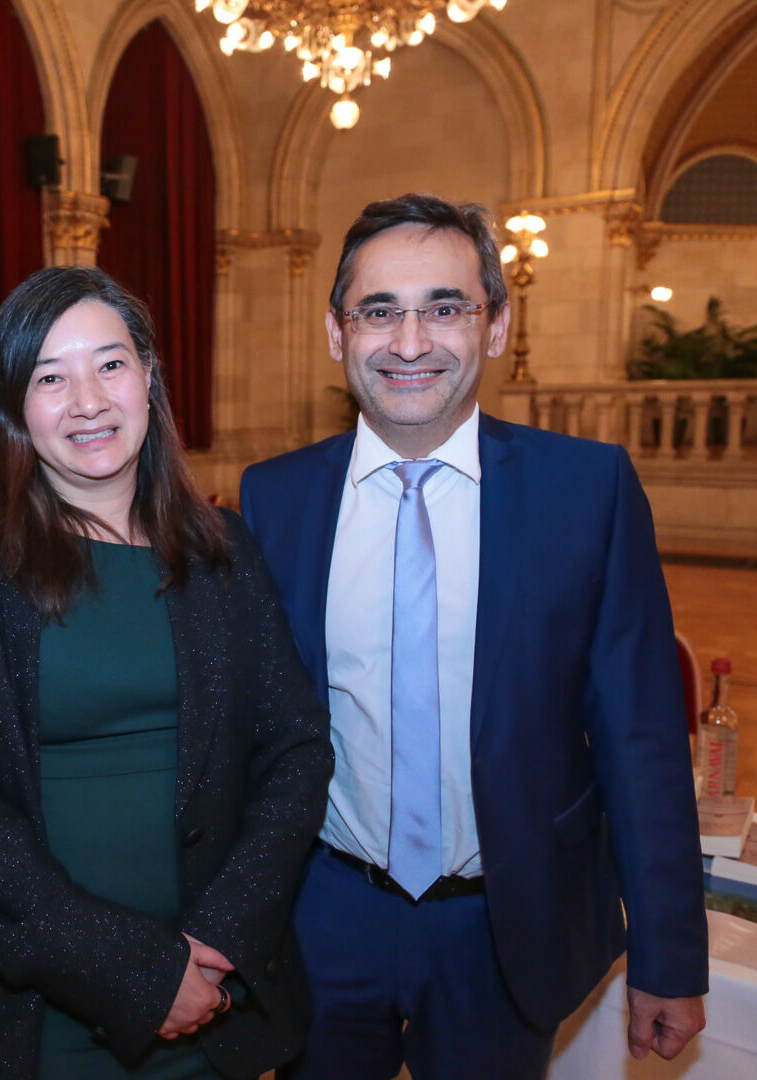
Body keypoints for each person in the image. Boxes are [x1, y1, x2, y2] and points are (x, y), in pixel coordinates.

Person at [240, 193, 708, 1080]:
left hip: (506, 924)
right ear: (338, 333)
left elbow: (641, 739)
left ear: (495, 326)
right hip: (324, 915)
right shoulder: (275, 498)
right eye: (380, 311)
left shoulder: (587, 490)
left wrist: (670, 954)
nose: (411, 342)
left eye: (445, 308)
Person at [0, 266, 333, 1080]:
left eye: (110, 364)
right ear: (13, 405)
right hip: (36, 1017)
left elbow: (295, 750)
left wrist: (219, 938)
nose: (87, 401)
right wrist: (140, 974)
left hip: (215, 995)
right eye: (50, 378)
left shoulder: (224, 552)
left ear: (149, 376)